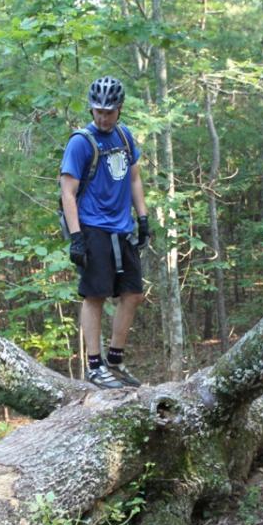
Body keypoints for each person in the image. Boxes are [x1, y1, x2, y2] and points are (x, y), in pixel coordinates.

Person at [60, 76, 149, 389]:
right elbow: (67, 192)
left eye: (109, 111)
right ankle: (95, 366)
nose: (103, 116)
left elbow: (135, 179)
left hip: (122, 228)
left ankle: (115, 360)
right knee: (95, 296)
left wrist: (144, 217)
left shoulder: (124, 137)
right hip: (93, 227)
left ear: (119, 109)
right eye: (98, 110)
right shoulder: (81, 142)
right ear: (91, 108)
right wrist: (76, 237)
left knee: (133, 293)